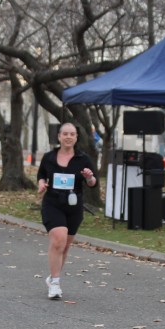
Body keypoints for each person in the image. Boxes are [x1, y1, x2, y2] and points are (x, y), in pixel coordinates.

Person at [36, 122, 98, 300]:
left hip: (73, 205)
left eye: (72, 134)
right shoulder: (49, 157)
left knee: (64, 246)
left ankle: (52, 278)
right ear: (59, 136)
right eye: (65, 134)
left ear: (76, 137)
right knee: (58, 240)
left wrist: (89, 178)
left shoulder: (83, 159)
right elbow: (41, 175)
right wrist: (41, 184)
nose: (68, 137)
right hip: (53, 203)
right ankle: (55, 283)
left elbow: (93, 183)